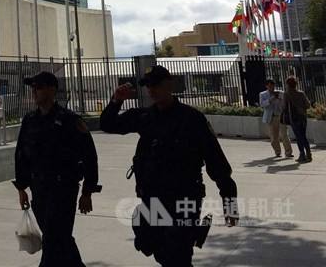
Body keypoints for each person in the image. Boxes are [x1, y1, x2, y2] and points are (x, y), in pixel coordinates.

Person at [101, 65, 238, 267]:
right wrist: (116, 101)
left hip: (184, 200)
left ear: (170, 85)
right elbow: (108, 124)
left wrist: (229, 201)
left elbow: (215, 160)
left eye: (156, 85)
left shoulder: (191, 118)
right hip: (153, 200)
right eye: (148, 85)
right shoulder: (145, 117)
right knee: (159, 252)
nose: (152, 90)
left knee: (178, 256)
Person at [13, 71, 101, 267]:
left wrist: (88, 191)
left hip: (63, 189)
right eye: (33, 88)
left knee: (53, 238)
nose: (34, 92)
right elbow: (21, 154)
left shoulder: (70, 120)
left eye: (39, 87)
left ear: (52, 90)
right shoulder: (30, 120)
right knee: (60, 239)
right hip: (39, 189)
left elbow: (89, 156)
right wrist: (21, 188)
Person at [259, 79, 293, 158]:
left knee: (284, 135)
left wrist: (280, 98)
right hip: (271, 118)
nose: (271, 87)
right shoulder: (263, 94)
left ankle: (288, 152)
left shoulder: (280, 93)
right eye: (269, 86)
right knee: (274, 137)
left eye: (272, 86)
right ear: (266, 86)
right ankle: (278, 152)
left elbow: (286, 102)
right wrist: (271, 99)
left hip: (281, 116)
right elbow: (262, 104)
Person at [283, 76, 312, 163]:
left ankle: (302, 154)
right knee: (303, 135)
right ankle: (308, 153)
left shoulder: (286, 94)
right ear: (296, 84)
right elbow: (308, 105)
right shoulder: (301, 93)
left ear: (287, 85)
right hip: (302, 117)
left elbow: (284, 107)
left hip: (294, 118)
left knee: (299, 137)